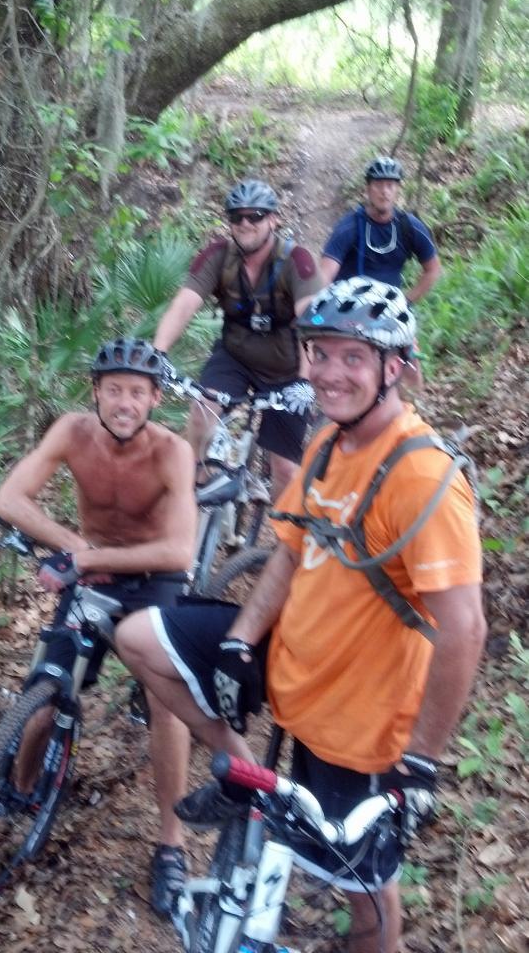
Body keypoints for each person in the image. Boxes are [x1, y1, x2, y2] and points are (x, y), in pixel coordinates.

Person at [115, 280, 486, 953]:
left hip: (357, 722)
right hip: (293, 662)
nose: (330, 372)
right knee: (140, 636)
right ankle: (244, 777)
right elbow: (286, 552)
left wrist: (421, 764)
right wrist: (237, 641)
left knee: (365, 903)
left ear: (392, 368)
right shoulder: (324, 444)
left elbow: (464, 628)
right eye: (320, 353)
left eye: (354, 357)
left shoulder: (422, 474)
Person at [0, 337, 197, 920]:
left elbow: (180, 550)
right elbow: (11, 496)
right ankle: (21, 787)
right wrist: (79, 549)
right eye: (113, 390)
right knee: (45, 691)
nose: (124, 402)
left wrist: (84, 561)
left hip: (154, 580)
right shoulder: (72, 432)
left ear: (156, 397)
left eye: (137, 392)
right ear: (96, 394)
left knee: (165, 704)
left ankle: (171, 842)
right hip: (93, 570)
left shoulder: (172, 452)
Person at [154, 178, 323, 499]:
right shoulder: (218, 255)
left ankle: (281, 541)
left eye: (255, 216)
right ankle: (197, 493)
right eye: (237, 217)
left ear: (273, 219)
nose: (245, 224)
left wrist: (304, 381)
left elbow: (311, 323)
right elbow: (186, 303)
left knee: (286, 469)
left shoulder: (296, 260)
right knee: (202, 415)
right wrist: (158, 352)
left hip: (286, 369)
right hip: (235, 357)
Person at [320, 156, 442, 301]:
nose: (384, 191)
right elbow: (324, 275)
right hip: (348, 305)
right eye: (378, 185)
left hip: (388, 308)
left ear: (397, 190)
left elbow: (433, 269)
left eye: (390, 185)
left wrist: (406, 301)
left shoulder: (410, 227)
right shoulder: (349, 226)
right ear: (368, 189)